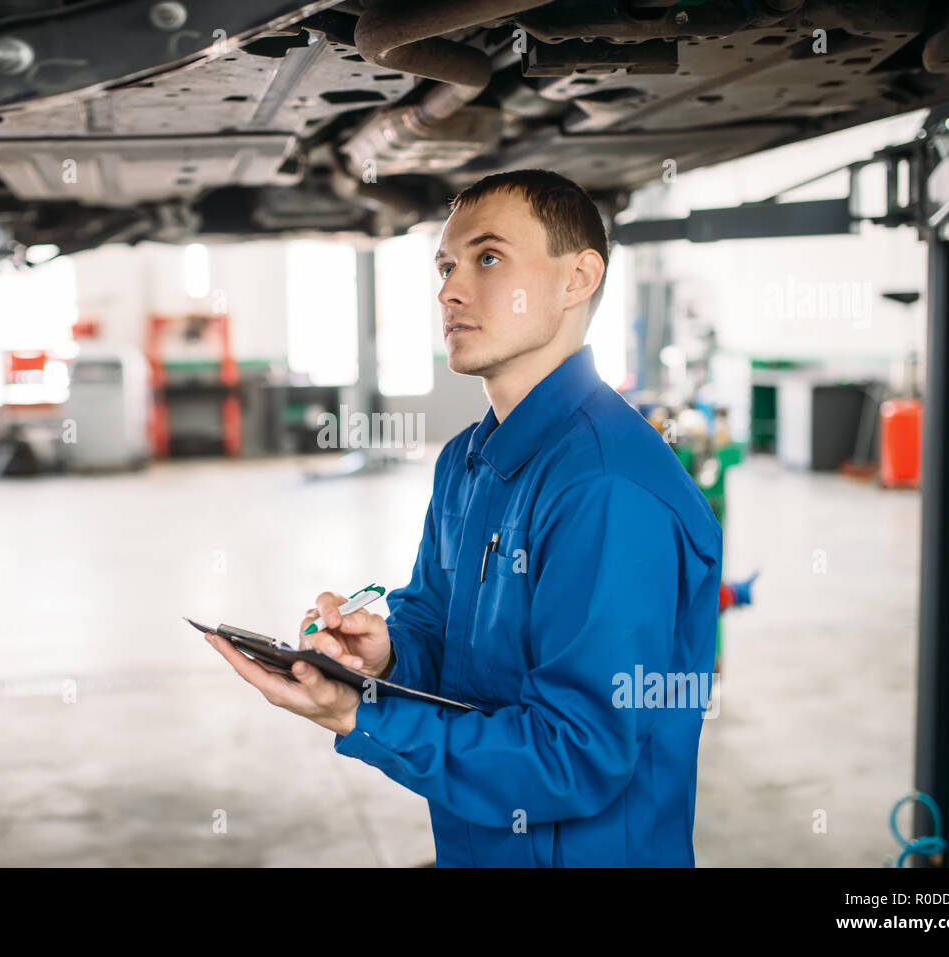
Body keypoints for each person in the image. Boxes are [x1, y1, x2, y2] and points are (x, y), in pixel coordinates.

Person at [204, 168, 723, 866]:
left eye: (487, 258)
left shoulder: (606, 489)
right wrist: (382, 653)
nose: (450, 289)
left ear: (578, 278)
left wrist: (364, 715)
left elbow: (577, 755)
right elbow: (439, 624)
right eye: (446, 265)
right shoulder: (468, 459)